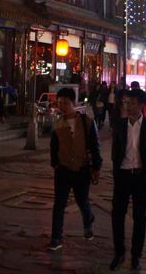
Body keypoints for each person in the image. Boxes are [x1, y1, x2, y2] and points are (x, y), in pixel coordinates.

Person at [109, 89, 146, 271]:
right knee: (117, 214)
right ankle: (119, 252)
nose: (128, 106)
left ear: (141, 105)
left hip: (141, 176)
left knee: (140, 216)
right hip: (123, 174)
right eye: (127, 103)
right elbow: (116, 150)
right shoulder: (119, 124)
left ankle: (136, 255)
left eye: (132, 103)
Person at [48, 87, 102, 252]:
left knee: (82, 201)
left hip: (81, 168)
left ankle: (88, 221)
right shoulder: (57, 124)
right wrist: (55, 163)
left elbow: (94, 145)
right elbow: (53, 147)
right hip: (63, 169)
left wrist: (96, 166)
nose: (62, 106)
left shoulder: (86, 122)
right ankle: (56, 237)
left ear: (74, 103)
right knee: (59, 204)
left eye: (65, 103)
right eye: (60, 103)